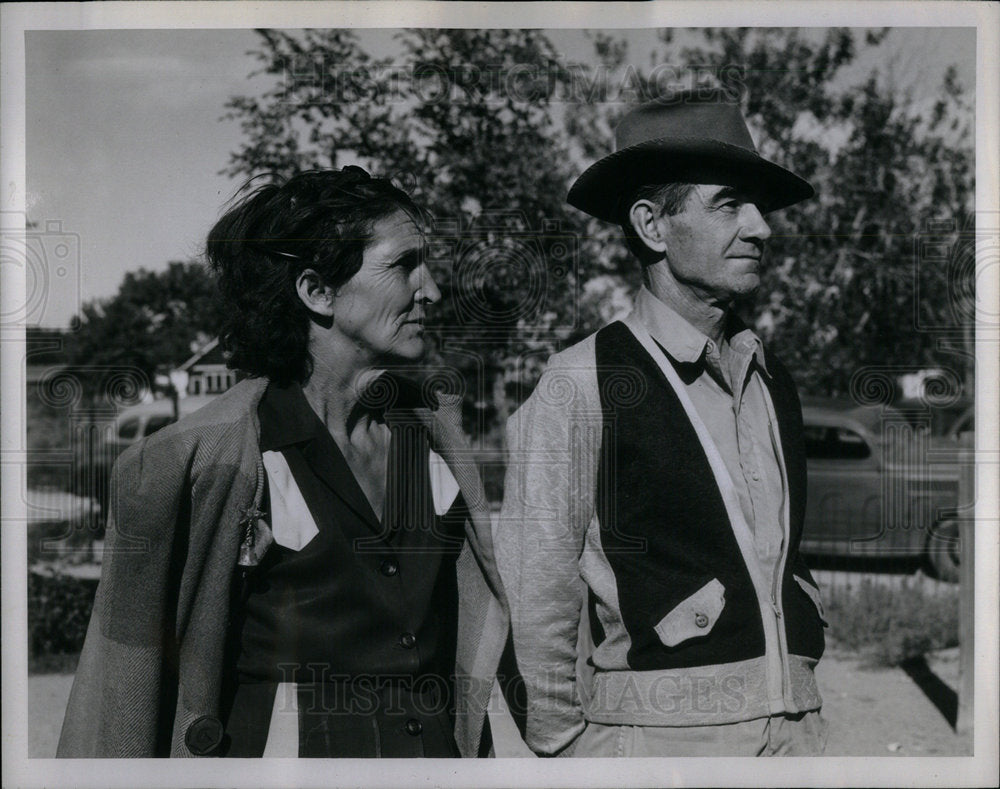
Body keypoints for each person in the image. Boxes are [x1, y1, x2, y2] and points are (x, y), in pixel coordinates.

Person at [58, 167, 507, 758]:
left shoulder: (431, 435)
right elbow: (123, 683)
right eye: (403, 266)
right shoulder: (204, 459)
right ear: (317, 290)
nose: (431, 290)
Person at [496, 89, 829, 757]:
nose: (762, 228)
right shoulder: (581, 380)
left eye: (758, 207)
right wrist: (568, 748)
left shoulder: (767, 372)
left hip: (798, 735)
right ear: (651, 226)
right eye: (730, 203)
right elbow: (539, 588)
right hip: (661, 744)